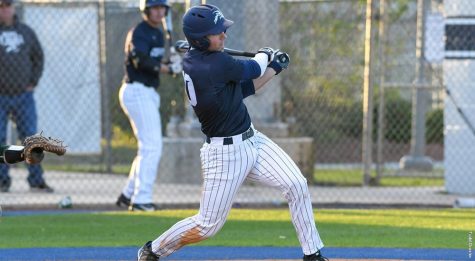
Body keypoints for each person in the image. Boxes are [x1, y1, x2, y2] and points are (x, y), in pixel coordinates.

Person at [137, 4, 328, 261]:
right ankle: (153, 250)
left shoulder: (206, 61)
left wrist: (275, 67)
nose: (224, 36)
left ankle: (312, 254)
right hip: (224, 155)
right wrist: (265, 54)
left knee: (296, 184)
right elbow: (254, 69)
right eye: (217, 33)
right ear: (201, 40)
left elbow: (244, 89)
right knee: (207, 225)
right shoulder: (212, 65)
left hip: (253, 140)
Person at [116, 0, 182, 212]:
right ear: (146, 10)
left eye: (162, 8)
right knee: (153, 146)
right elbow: (139, 60)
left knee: (148, 146)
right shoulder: (140, 32)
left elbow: (155, 62)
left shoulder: (158, 34)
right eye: (155, 7)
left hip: (147, 92)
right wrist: (168, 68)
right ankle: (141, 198)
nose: (159, 11)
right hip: (136, 90)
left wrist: (171, 63)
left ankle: (128, 194)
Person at [0, 0, 52, 193]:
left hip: (23, 95)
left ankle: (36, 179)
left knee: (31, 137)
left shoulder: (26, 32)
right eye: (0, 7)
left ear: (13, 8)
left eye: (7, 6)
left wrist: (33, 81)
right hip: (1, 96)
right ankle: (2, 180)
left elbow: (38, 57)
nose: (4, 10)